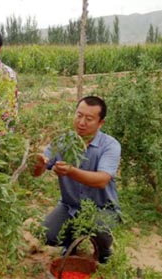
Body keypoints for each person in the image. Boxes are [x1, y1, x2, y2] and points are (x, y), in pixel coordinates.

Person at [32, 96, 121, 264]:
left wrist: (71, 171)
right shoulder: (63, 141)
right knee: (46, 234)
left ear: (101, 123)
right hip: (70, 206)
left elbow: (102, 180)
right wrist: (38, 163)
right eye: (79, 115)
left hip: (102, 208)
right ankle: (69, 244)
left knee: (98, 227)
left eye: (89, 119)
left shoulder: (110, 145)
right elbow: (38, 171)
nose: (81, 122)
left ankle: (103, 250)